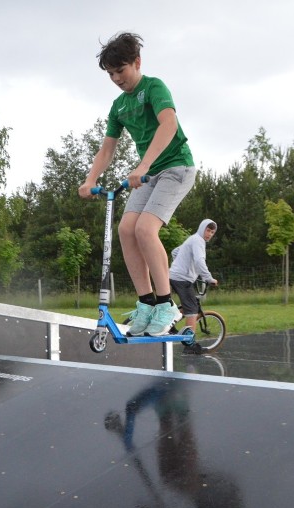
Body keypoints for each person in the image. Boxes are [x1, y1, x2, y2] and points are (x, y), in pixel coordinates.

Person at [78, 31, 197, 336]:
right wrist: (91, 179)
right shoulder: (118, 107)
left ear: (137, 62)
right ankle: (146, 303)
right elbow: (108, 148)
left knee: (145, 229)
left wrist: (143, 164)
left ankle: (166, 304)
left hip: (176, 167)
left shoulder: (153, 87)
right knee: (126, 229)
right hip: (147, 175)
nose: (116, 78)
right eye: (111, 73)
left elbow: (168, 123)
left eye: (121, 70)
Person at [170, 219, 218, 353]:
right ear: (202, 228)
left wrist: (183, 266)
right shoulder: (198, 241)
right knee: (192, 310)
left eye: (212, 232)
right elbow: (199, 261)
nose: (209, 234)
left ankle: (170, 324)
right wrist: (209, 278)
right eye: (208, 230)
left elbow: (175, 252)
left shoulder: (192, 239)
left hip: (175, 276)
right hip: (182, 278)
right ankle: (189, 345)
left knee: (187, 306)